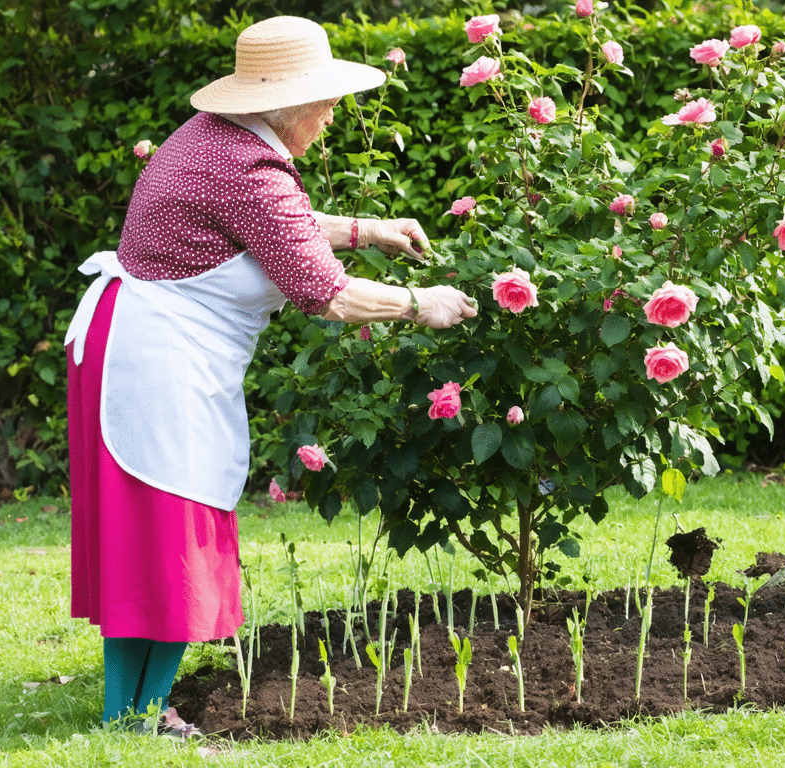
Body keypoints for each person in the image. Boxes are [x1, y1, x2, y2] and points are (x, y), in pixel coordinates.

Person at [63, 16, 477, 726]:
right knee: (170, 531)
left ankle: (129, 712)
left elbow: (273, 224)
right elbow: (327, 293)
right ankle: (137, 715)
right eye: (325, 102)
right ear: (285, 103)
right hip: (158, 360)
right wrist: (421, 303)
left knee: (149, 535)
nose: (332, 114)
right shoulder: (249, 167)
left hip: (133, 343)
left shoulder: (213, 139)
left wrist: (369, 230)